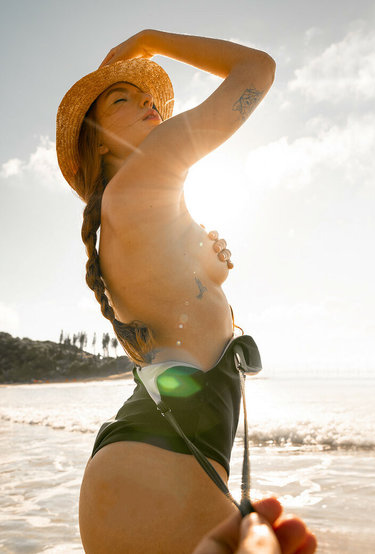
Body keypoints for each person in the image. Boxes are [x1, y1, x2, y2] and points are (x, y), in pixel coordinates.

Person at [56, 29, 316, 553]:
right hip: (161, 471)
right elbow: (257, 69)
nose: (147, 103)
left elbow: (172, 333)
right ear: (99, 140)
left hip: (144, 468)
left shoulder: (127, 214)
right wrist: (150, 39)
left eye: (147, 96)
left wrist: (205, 270)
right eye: (122, 100)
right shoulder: (146, 171)